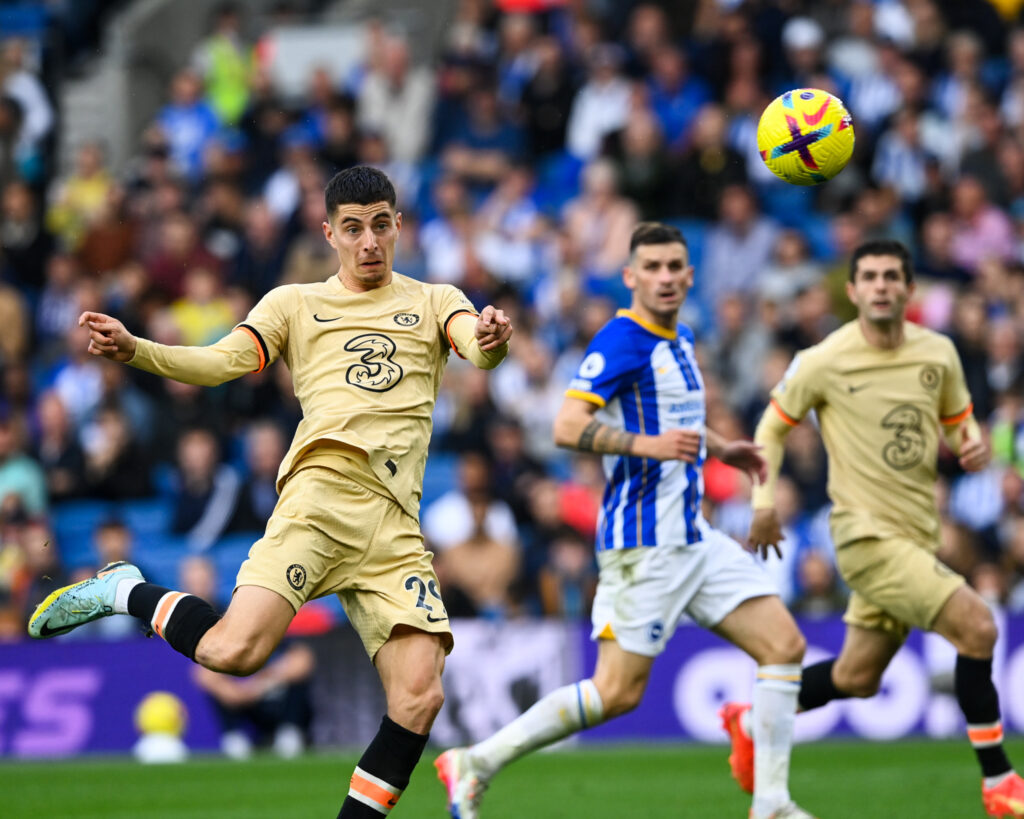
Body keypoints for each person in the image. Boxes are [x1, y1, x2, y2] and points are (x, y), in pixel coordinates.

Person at [27, 166, 513, 818]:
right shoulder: (293, 304)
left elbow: (475, 351)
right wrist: (137, 350)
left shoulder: (435, 299)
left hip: (395, 527)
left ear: (397, 224)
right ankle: (124, 589)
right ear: (329, 233)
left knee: (419, 698)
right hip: (319, 502)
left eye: (380, 224)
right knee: (235, 651)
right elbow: (221, 362)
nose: (368, 240)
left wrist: (489, 340)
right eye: (352, 228)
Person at [435, 222, 815, 819]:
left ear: (690, 276)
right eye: (653, 268)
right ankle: (476, 761)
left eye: (675, 267)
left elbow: (678, 423)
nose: (665, 278)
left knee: (785, 646)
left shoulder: (682, 337)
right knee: (617, 693)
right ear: (630, 276)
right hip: (643, 544)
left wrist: (724, 448)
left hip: (693, 536)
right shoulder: (620, 341)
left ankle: (770, 804)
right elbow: (565, 427)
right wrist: (646, 447)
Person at [721, 239, 1024, 818]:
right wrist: (763, 501)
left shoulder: (938, 354)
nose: (882, 285)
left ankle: (752, 723)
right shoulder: (825, 359)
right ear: (854, 291)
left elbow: (959, 421)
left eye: (892, 276)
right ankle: (1000, 782)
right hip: (862, 538)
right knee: (979, 627)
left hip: (917, 536)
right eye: (870, 277)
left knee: (856, 678)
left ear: (909, 290)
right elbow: (771, 426)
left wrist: (972, 442)